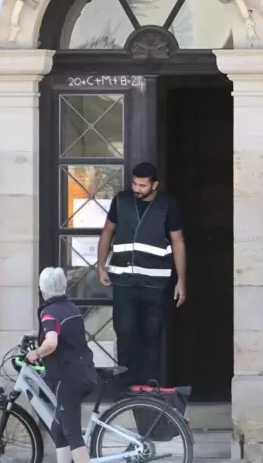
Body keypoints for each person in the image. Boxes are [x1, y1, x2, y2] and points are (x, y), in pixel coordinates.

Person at [97, 161, 186, 387]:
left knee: (152, 337)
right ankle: (127, 388)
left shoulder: (168, 205)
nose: (136, 188)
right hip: (124, 282)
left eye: (142, 185)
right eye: (135, 183)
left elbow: (178, 242)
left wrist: (182, 281)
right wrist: (101, 265)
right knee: (125, 335)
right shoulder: (121, 200)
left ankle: (149, 389)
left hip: (155, 284)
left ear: (154, 185)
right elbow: (107, 232)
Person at [26, 267, 97, 463]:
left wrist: (36, 353)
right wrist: (37, 335)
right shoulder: (71, 308)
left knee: (72, 433)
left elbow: (51, 343)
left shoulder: (49, 312)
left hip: (68, 377)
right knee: (59, 429)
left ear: (43, 290)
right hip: (84, 372)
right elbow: (65, 334)